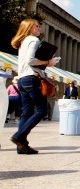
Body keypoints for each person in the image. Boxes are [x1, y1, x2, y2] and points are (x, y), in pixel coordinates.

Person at [10, 19, 59, 154]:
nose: (39, 28)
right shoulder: (33, 40)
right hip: (32, 78)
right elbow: (31, 60)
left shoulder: (23, 42)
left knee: (27, 112)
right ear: (30, 28)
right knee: (41, 110)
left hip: (22, 78)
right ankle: (19, 137)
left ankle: (22, 146)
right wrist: (49, 62)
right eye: (36, 26)